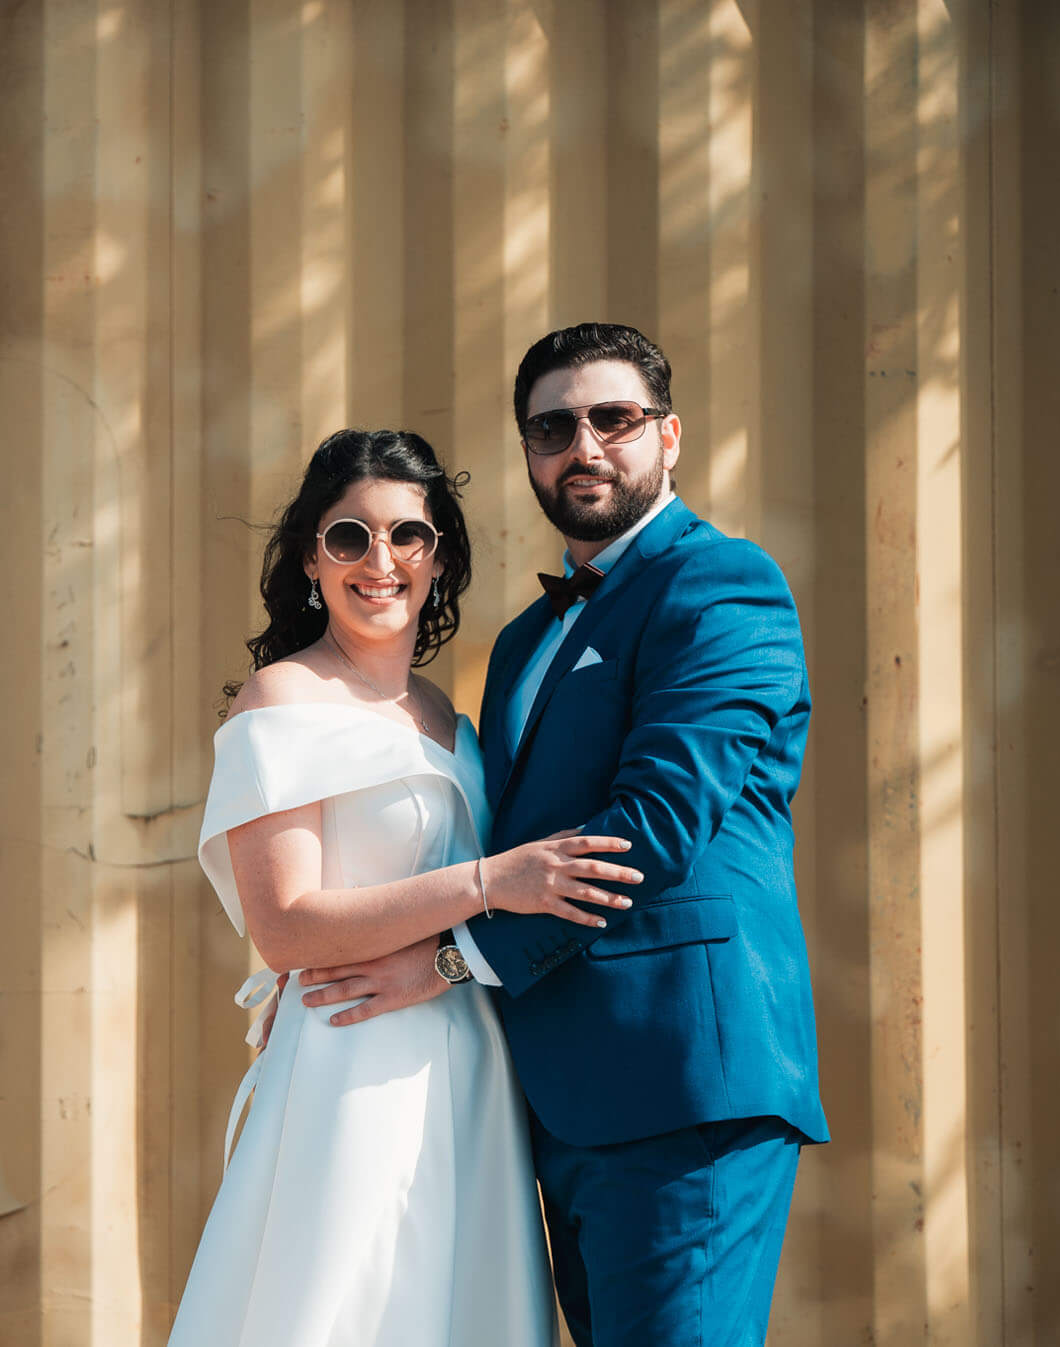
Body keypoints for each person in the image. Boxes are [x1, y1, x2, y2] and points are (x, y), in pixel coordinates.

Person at [299, 324, 828, 1346]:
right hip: (552, 1097)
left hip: (681, 1081)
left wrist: (446, 962)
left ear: (668, 436)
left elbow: (654, 827)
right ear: (529, 453)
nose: (582, 447)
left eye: (613, 419)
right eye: (552, 428)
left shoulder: (722, 583)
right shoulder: (523, 642)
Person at [169, 428, 643, 1346]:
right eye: (349, 536)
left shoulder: (453, 720)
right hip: (352, 1060)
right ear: (312, 559)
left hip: (474, 1064)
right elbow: (286, 926)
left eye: (407, 535)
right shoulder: (280, 700)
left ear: (439, 560)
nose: (379, 560)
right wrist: (491, 880)